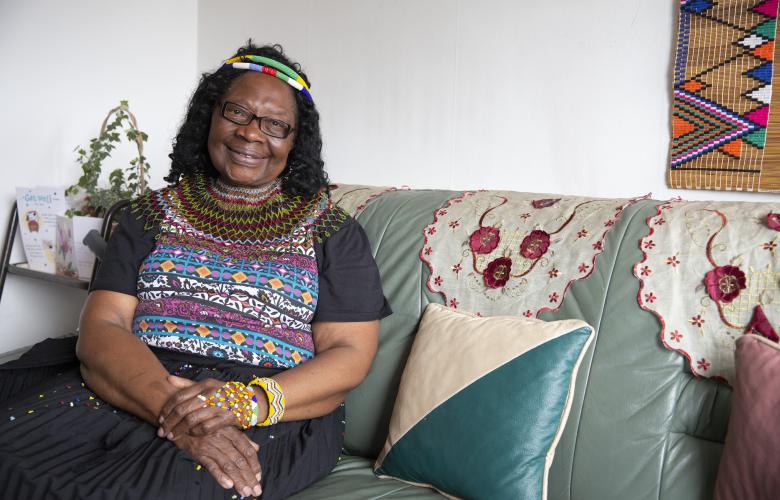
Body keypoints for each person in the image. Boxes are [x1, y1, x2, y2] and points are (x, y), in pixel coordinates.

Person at [0, 42, 390, 499]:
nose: (250, 134)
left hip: (266, 404)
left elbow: (349, 355)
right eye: (237, 112)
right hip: (137, 378)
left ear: (294, 141)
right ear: (210, 116)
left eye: (275, 124)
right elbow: (103, 324)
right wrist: (174, 408)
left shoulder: (332, 233)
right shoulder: (149, 215)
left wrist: (243, 403)